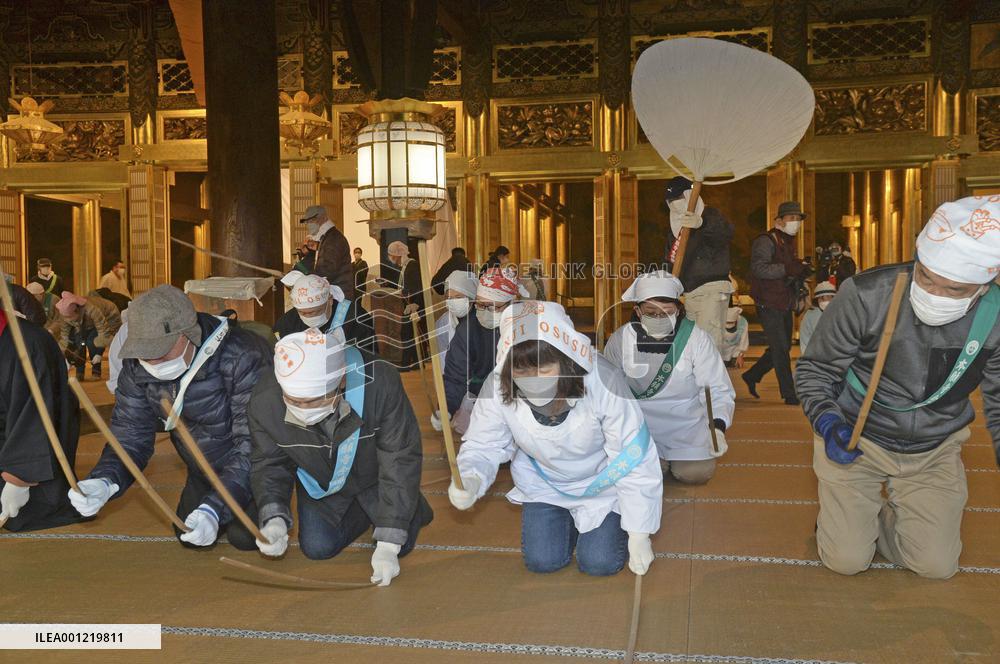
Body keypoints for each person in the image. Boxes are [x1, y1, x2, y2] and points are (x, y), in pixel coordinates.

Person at [796, 196, 1000, 580]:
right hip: (859, 436)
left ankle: (884, 522)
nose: (934, 294)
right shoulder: (865, 294)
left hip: (935, 448)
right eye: (926, 277)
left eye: (954, 289)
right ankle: (849, 524)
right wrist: (827, 423)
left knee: (937, 567)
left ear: (983, 287)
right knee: (847, 561)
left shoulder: (996, 317)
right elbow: (815, 370)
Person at [448, 301, 661, 577]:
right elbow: (483, 444)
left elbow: (633, 452)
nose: (533, 380)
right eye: (522, 372)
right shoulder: (498, 383)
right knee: (542, 562)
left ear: (566, 358)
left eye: (544, 369)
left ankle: (598, 524)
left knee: (599, 563)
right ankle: (567, 522)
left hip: (602, 484)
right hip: (544, 483)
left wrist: (639, 531)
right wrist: (471, 478)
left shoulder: (601, 379)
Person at [67, 285, 272, 551]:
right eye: (145, 352)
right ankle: (210, 495)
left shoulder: (245, 355)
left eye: (161, 351)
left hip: (253, 464)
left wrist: (215, 509)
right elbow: (130, 434)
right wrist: (105, 480)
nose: (152, 362)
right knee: (187, 533)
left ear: (189, 334)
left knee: (245, 538)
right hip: (202, 465)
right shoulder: (136, 364)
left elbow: (253, 443)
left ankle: (270, 497)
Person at [249, 328, 433, 585]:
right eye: (293, 400)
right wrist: (274, 517)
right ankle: (368, 510)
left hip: (376, 476)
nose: (301, 409)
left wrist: (389, 544)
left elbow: (399, 456)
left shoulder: (380, 381)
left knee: (398, 544)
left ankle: (406, 505)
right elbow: (269, 463)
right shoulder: (264, 400)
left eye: (313, 401)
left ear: (341, 382)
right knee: (317, 548)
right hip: (322, 482)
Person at [604, 272, 734, 484]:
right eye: (651, 312)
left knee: (695, 474)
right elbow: (608, 388)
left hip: (686, 426)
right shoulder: (620, 339)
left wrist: (717, 427)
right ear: (637, 311)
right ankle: (655, 458)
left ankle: (668, 460)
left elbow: (715, 388)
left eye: (667, 312)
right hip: (639, 426)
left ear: (678, 310)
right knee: (643, 473)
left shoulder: (696, 338)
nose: (659, 318)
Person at [0, 308, 82, 531]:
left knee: (23, 510)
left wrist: (18, 477)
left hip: (31, 450)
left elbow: (37, 411)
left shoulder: (27, 343)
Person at [742, 201, 813, 405]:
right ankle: (789, 394)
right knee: (781, 348)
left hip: (784, 301)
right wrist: (789, 269)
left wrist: (800, 268)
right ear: (779, 220)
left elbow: (788, 269)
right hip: (767, 302)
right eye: (792, 218)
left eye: (798, 219)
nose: (796, 223)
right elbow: (759, 269)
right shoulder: (766, 240)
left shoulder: (788, 241)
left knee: (781, 347)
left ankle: (752, 375)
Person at [444, 267, 524, 434]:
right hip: (482, 399)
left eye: (491, 307)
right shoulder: (468, 330)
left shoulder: (526, 327)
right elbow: (455, 374)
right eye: (480, 305)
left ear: (510, 303)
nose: (483, 311)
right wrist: (446, 409)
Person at [661, 176, 735, 351]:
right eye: (672, 200)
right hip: (689, 293)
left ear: (689, 195)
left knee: (709, 342)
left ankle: (711, 378)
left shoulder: (710, 215)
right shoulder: (675, 227)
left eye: (679, 198)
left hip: (711, 289)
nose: (676, 203)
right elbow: (668, 259)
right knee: (692, 344)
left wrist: (702, 223)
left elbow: (725, 233)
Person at [273, 273, 375, 354]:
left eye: (315, 312)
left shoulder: (355, 319)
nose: (309, 316)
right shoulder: (287, 323)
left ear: (330, 300)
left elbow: (367, 359)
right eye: (302, 312)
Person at [47, 291, 122, 381]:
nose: (68, 320)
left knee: (92, 342)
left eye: (70, 317)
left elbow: (103, 332)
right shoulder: (64, 315)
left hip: (108, 317)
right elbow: (65, 336)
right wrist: (65, 355)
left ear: (76, 311)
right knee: (78, 341)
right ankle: (79, 372)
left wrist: (98, 354)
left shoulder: (91, 310)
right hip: (86, 323)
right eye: (66, 318)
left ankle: (96, 371)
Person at [301, 205, 354, 299]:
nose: (309, 224)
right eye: (307, 222)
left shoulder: (333, 239)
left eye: (312, 220)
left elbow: (327, 270)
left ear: (323, 218)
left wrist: (304, 276)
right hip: (333, 293)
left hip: (339, 294)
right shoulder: (326, 238)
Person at [387, 240, 424, 370]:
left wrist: (415, 304)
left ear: (398, 254)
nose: (390, 257)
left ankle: (406, 363)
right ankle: (416, 363)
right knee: (409, 334)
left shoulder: (412, 266)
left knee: (407, 334)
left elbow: (416, 286)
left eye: (391, 254)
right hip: (408, 304)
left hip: (412, 305)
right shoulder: (406, 266)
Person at [798, 280, 836, 355]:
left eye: (829, 297)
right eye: (822, 298)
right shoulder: (810, 316)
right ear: (817, 300)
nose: (826, 301)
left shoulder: (840, 313)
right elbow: (805, 339)